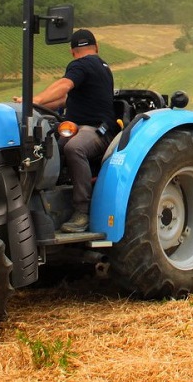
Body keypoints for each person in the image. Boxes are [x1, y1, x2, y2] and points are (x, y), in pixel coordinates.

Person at [16, 28, 117, 232]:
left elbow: (64, 86)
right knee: (50, 145)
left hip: (98, 131)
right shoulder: (101, 66)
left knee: (74, 148)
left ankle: (82, 211)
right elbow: (64, 99)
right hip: (84, 128)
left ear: (72, 52)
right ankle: (46, 200)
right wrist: (38, 106)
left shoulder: (82, 65)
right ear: (96, 47)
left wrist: (32, 100)